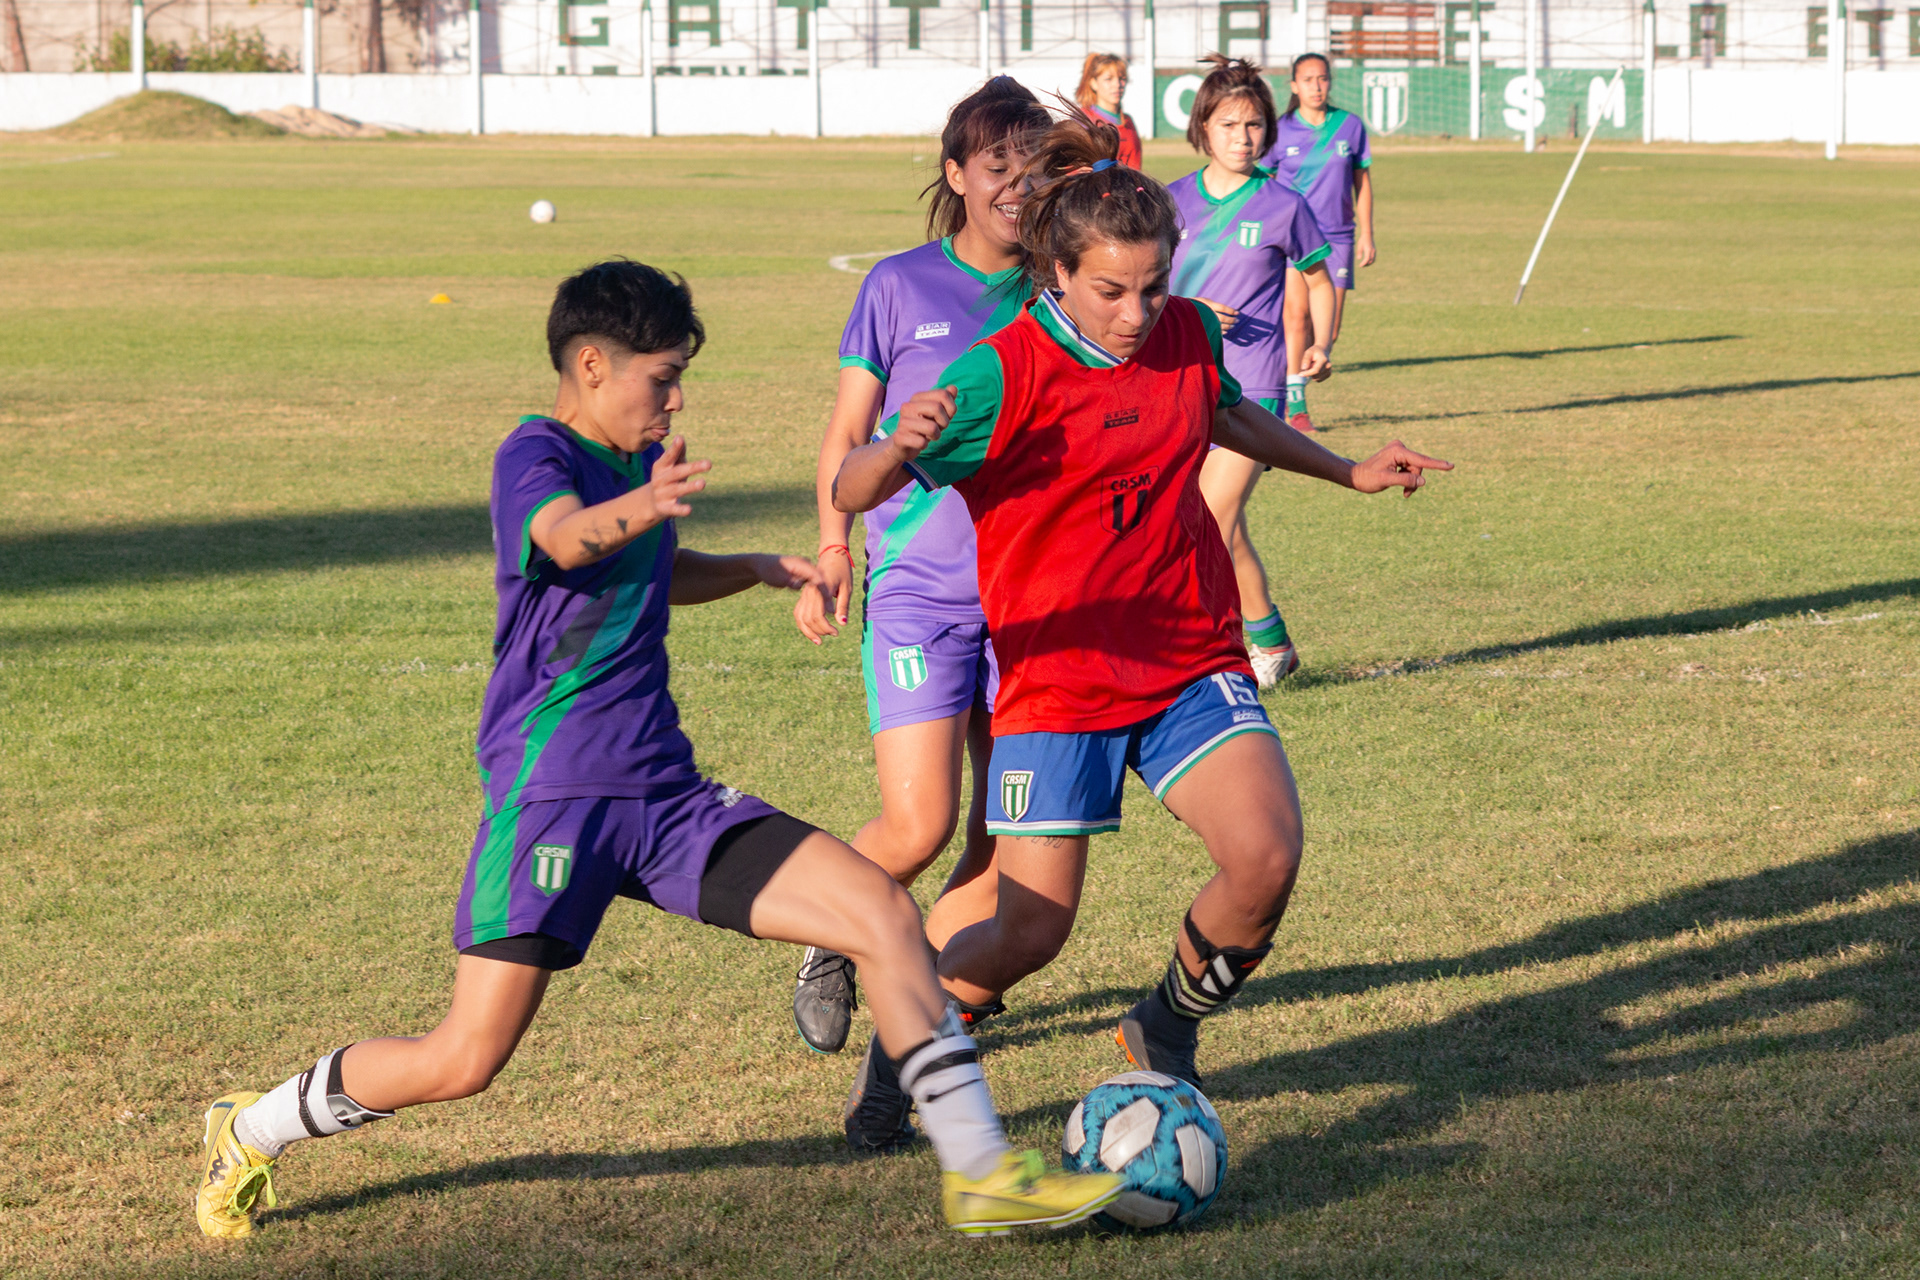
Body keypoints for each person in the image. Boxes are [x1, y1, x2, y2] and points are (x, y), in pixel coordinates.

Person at [193, 259, 1122, 1241]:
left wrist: (761, 568)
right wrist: (647, 503)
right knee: (463, 1057)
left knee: (884, 912)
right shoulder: (534, 454)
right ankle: (248, 1127)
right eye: (662, 376)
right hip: (555, 801)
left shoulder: (637, 463)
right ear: (591, 364)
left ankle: (980, 1173)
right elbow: (566, 539)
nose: (676, 398)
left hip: (665, 798)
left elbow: (652, 564)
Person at [831, 120, 1449, 1091]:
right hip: (1058, 677)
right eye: (1112, 290)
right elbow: (854, 488)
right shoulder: (998, 373)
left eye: (1153, 283)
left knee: (1266, 855)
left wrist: (1345, 470)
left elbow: (1227, 410)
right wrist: (894, 445)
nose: (1137, 311)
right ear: (1057, 273)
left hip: (1185, 652)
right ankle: (913, 1036)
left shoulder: (1187, 332)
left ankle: (1163, 1027)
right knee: (1033, 927)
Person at [790, 80, 1050, 1154]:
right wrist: (834, 546)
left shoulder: (1061, 291)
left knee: (1004, 838)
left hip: (1031, 599)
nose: (1016, 187)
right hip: (919, 594)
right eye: (997, 166)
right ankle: (824, 935)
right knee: (917, 824)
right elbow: (847, 432)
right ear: (956, 175)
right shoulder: (899, 288)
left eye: (1034, 167)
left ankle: (904, 1046)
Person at [1168, 55, 1338, 686]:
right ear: (1203, 130)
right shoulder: (1168, 202)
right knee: (1203, 518)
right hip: (1179, 378)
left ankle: (1227, 649)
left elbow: (1318, 278)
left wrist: (1321, 342)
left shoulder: (1282, 204)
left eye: (1255, 126)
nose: (1244, 137)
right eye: (1230, 124)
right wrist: (1188, 310)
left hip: (1253, 385)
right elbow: (1142, 288)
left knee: (1212, 512)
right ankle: (1268, 642)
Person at [1261, 52, 1374, 433]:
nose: (1316, 86)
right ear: (1294, 86)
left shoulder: (1350, 126)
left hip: (1339, 236)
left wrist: (1368, 234)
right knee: (1296, 315)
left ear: (1330, 82)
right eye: (1307, 80)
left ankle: (1294, 373)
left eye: (1322, 78)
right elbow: (1264, 185)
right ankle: (1296, 402)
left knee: (1329, 331)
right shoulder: (1280, 131)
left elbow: (1363, 182)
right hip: (1295, 238)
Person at [1074, 52, 1142, 168]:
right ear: (1093, 83)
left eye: (1121, 78)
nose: (1117, 85)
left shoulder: (1128, 122)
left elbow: (1136, 169)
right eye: (1108, 79)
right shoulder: (1083, 121)